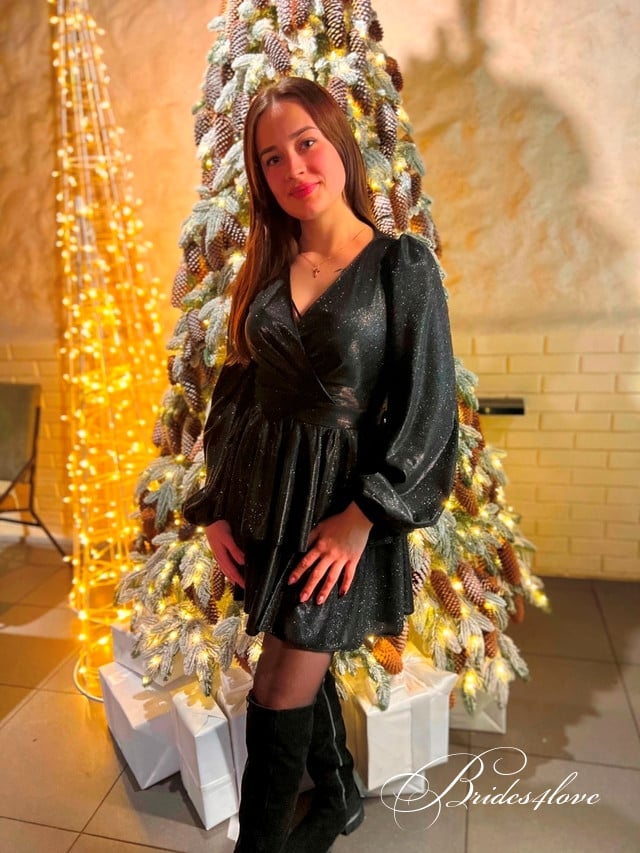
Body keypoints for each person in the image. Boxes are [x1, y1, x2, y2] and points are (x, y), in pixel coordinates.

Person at [182, 76, 458, 853]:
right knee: (295, 652)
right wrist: (216, 508)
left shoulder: (401, 266)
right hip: (268, 505)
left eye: (306, 143)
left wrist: (362, 518)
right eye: (271, 158)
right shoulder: (266, 268)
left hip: (340, 518)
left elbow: (430, 407)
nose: (294, 167)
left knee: (278, 682)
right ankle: (335, 795)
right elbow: (236, 399)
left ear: (338, 144)